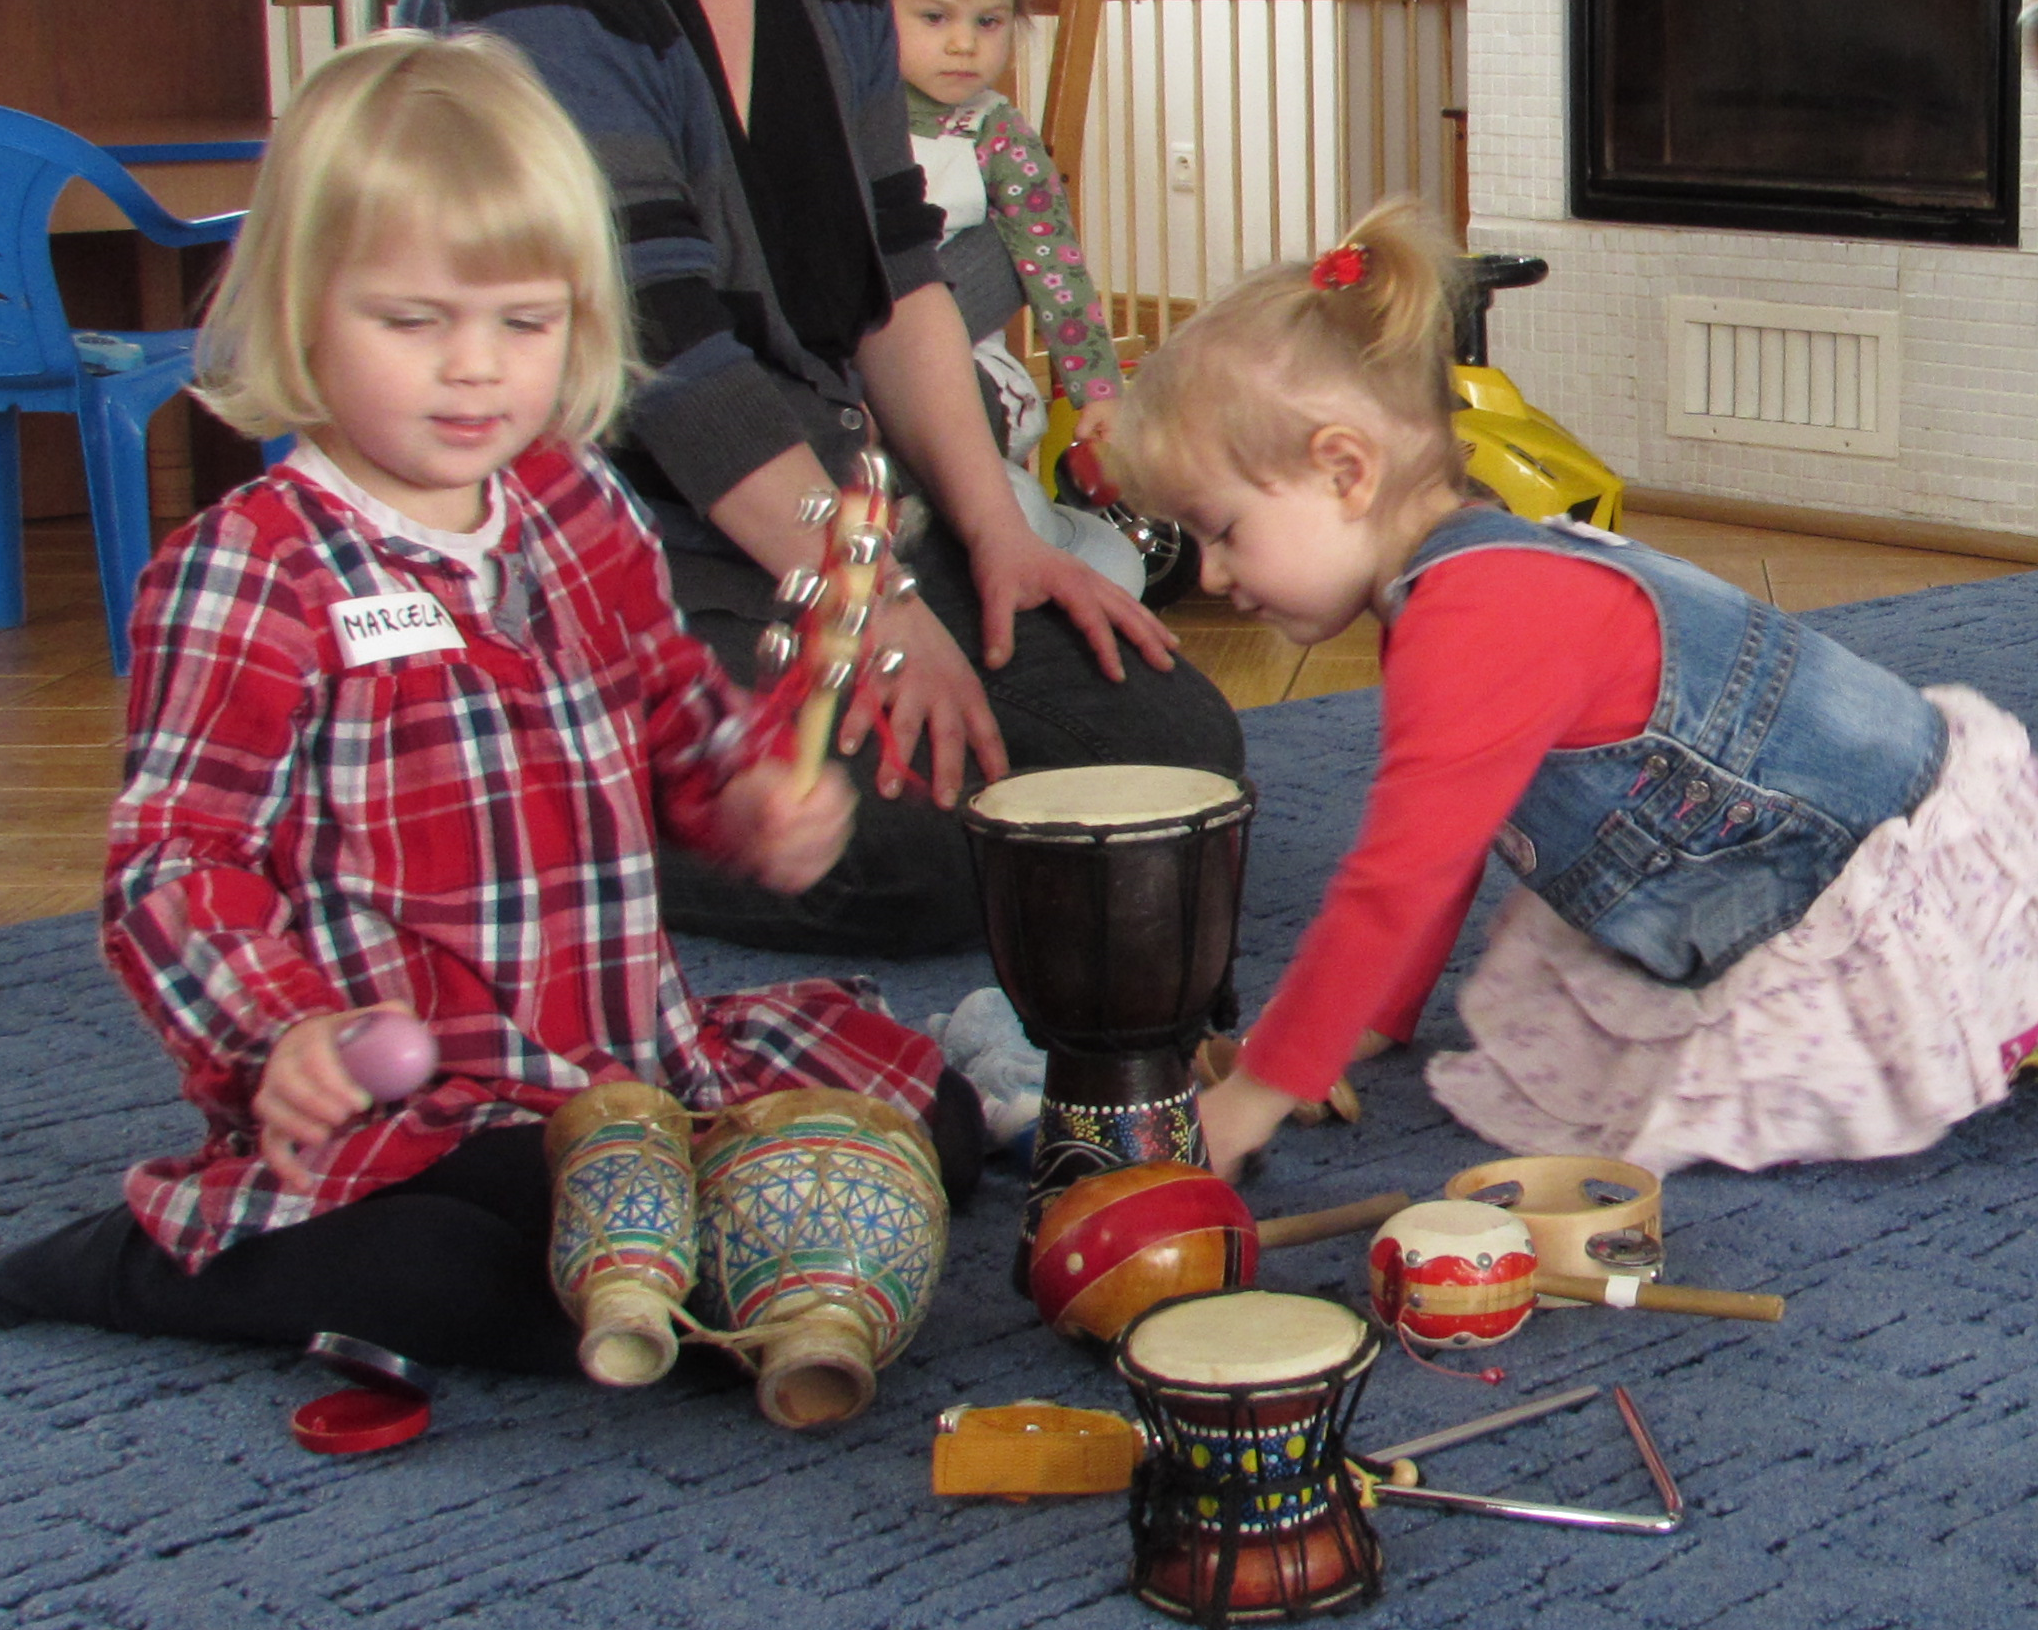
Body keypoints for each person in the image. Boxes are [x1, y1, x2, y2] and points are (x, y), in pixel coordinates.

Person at [0, 31, 981, 1376]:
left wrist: (747, 792)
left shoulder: (574, 503)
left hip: (618, 1058)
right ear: (299, 310)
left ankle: (658, 1253)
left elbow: (667, 712)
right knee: (482, 1265)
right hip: (413, 1093)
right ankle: (137, 1260)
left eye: (524, 323)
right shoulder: (251, 568)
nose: (476, 368)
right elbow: (175, 862)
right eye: (414, 323)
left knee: (932, 1120)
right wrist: (285, 1031)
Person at [1110, 199, 2038, 1183]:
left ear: (1345, 470)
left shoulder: (1480, 616)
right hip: (1754, 871)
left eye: (1223, 531)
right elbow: (1443, 840)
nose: (1211, 574)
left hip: (1866, 856)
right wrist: (1370, 1017)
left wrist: (1253, 1096)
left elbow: (1397, 879)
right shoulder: (1442, 588)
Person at [412, 0, 1245, 957]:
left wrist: (998, 532)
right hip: (631, 564)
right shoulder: (544, 22)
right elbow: (668, 357)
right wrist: (873, 601)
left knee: (1180, 757)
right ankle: (530, 798)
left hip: (842, 523)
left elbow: (899, 277)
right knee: (922, 859)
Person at [895, 0, 1144, 599]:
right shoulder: (837, 116)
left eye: (988, 22)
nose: (964, 44)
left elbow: (1055, 265)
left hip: (967, 364)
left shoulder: (995, 130)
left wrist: (1098, 389)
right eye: (934, 18)